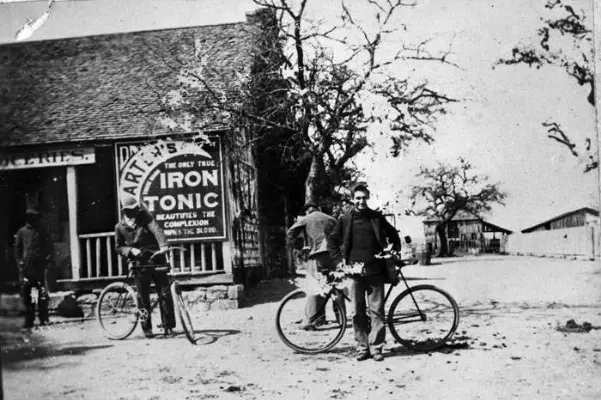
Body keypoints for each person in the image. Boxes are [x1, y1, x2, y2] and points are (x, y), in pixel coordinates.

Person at [327, 183, 401, 362]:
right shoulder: (345, 219)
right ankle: (362, 347)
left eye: (364, 198)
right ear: (353, 199)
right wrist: (339, 263)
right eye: (357, 198)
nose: (361, 201)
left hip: (375, 270)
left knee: (377, 311)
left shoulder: (376, 217)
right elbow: (332, 241)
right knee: (357, 312)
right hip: (354, 272)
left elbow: (394, 235)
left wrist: (393, 251)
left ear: (368, 198)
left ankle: (376, 348)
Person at [114, 193, 175, 338]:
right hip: (139, 264)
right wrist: (130, 250)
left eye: (136, 208)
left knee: (164, 293)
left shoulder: (146, 218)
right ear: (125, 211)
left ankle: (168, 326)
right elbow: (118, 247)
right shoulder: (119, 227)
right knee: (143, 297)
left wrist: (163, 245)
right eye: (130, 209)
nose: (135, 211)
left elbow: (156, 230)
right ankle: (147, 329)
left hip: (155, 259)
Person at [286, 201, 338, 330]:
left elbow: (290, 233)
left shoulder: (305, 219)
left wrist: (303, 244)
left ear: (307, 210)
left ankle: (312, 320)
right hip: (333, 257)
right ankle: (340, 318)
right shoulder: (331, 219)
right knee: (335, 287)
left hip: (317, 257)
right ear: (318, 208)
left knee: (315, 287)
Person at [14, 207, 51, 329]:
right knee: (28, 295)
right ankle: (29, 319)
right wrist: (20, 262)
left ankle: (43, 318)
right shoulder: (21, 232)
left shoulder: (41, 231)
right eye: (30, 218)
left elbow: (48, 246)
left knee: (40, 294)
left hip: (39, 268)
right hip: (27, 269)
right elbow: (17, 249)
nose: (32, 220)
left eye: (34, 218)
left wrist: (47, 259)